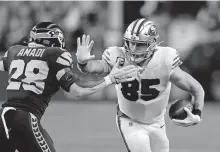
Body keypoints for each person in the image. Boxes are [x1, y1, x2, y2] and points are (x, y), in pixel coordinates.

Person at [0, 22, 139, 152]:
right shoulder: (55, 54)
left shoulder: (14, 52)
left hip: (3, 114)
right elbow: (77, 90)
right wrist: (110, 79)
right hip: (24, 118)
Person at [76, 18, 205, 152]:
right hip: (129, 120)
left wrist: (197, 114)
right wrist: (82, 63)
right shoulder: (118, 57)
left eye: (140, 44)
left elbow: (196, 89)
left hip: (157, 122)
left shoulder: (165, 59)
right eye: (131, 43)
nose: (133, 49)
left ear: (152, 43)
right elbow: (93, 68)